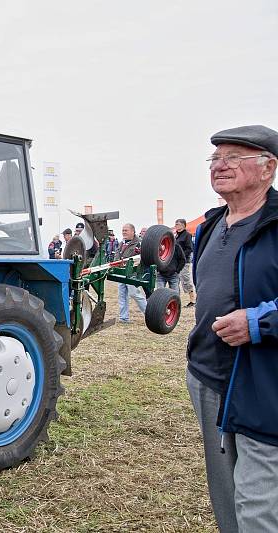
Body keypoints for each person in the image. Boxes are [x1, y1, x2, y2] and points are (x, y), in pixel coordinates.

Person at [187, 125, 278, 532]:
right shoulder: (209, 226)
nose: (220, 165)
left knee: (258, 504)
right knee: (224, 493)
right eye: (215, 159)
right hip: (209, 378)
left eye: (234, 157)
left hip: (264, 385)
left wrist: (259, 322)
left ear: (268, 169)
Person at [115, 223, 147, 323]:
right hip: (122, 272)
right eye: (123, 230)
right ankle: (123, 317)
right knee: (122, 295)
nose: (124, 232)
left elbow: (139, 257)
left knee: (134, 294)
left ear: (133, 231)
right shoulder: (121, 243)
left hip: (132, 272)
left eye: (126, 230)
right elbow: (117, 254)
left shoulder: (139, 243)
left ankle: (149, 314)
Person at [174, 218, 196, 307]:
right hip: (176, 261)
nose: (175, 226)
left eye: (177, 224)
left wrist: (181, 256)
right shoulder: (176, 236)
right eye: (175, 224)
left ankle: (193, 300)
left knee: (186, 279)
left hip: (184, 261)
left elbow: (189, 248)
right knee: (177, 280)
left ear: (183, 225)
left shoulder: (187, 235)